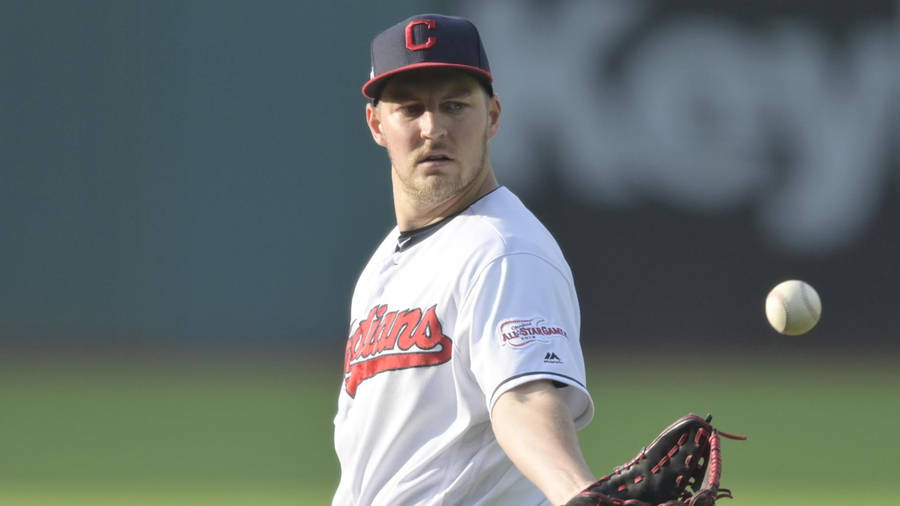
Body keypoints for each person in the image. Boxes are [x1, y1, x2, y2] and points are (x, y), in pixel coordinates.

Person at [333, 13, 598, 506]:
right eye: (410, 109)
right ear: (377, 124)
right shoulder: (382, 268)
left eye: (454, 106)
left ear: (492, 116)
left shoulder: (503, 250)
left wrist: (577, 493)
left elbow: (523, 396)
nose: (433, 128)